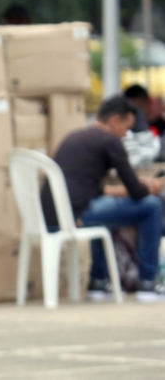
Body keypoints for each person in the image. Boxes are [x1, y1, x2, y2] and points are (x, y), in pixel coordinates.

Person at [41, 96, 165, 302]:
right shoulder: (109, 140)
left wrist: (133, 187)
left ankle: (98, 282)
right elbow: (137, 192)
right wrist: (149, 186)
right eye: (127, 128)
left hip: (52, 216)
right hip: (76, 215)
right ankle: (148, 283)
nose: (126, 135)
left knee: (105, 214)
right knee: (151, 206)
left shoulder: (77, 136)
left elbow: (93, 189)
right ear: (115, 120)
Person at [122, 84, 161, 168]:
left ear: (148, 102)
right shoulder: (124, 132)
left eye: (139, 107)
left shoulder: (161, 125)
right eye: (133, 109)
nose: (138, 113)